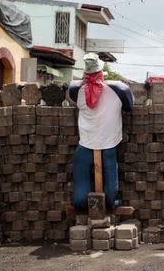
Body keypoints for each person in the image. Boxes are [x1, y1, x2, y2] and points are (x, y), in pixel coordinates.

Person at [69, 53, 134, 209]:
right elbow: (129, 107)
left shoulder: (75, 89)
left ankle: (84, 203)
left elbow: (78, 88)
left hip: (85, 144)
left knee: (79, 200)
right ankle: (111, 201)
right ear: (101, 73)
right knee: (111, 199)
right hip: (109, 145)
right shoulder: (119, 89)